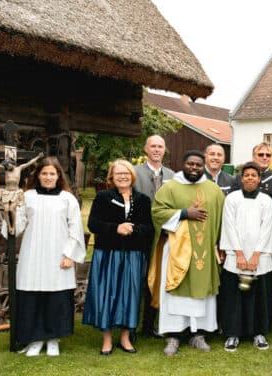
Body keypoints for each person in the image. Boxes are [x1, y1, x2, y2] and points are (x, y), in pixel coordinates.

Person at [147, 150, 224, 356]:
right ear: (183, 164)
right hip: (176, 252)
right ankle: (173, 336)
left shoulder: (214, 190)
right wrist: (183, 213)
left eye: (198, 165)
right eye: (190, 164)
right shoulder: (170, 187)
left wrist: (219, 245)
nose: (194, 168)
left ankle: (197, 335)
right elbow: (157, 212)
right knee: (174, 294)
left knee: (200, 296)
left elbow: (222, 219)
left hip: (204, 252)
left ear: (203, 166)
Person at [12, 157, 86, 357]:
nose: (48, 177)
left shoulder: (67, 199)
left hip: (58, 253)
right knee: (32, 294)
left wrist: (70, 254)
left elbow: (75, 228)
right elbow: (16, 227)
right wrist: (9, 210)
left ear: (58, 176)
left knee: (57, 297)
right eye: (44, 173)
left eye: (52, 173)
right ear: (38, 175)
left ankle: (53, 339)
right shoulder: (27, 197)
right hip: (33, 252)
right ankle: (34, 340)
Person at [83, 159, 154, 355]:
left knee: (129, 295)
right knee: (107, 294)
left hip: (133, 255)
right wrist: (116, 228)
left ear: (132, 176)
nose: (122, 176)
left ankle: (125, 338)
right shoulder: (102, 197)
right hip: (107, 253)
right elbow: (93, 224)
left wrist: (132, 230)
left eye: (126, 173)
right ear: (111, 177)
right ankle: (106, 339)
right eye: (118, 173)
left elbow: (149, 227)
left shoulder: (143, 200)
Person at [219, 162, 272, 352]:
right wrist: (240, 254)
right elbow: (229, 226)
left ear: (259, 179)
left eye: (254, 175)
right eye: (247, 175)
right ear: (241, 178)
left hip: (260, 258)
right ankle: (233, 334)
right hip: (236, 256)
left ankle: (258, 333)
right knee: (234, 296)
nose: (250, 178)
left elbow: (267, 228)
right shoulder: (232, 199)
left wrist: (256, 255)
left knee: (259, 296)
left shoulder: (266, 200)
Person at [133, 135, 174, 338]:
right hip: (139, 234)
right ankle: (131, 325)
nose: (157, 150)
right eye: (153, 146)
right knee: (137, 279)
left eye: (160, 146)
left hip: (164, 236)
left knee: (157, 278)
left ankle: (150, 325)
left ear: (164, 150)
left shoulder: (173, 176)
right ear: (146, 149)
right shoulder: (134, 173)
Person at [250, 142, 272, 329]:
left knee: (268, 281)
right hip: (248, 238)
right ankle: (248, 316)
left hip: (270, 238)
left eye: (267, 155)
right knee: (248, 278)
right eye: (260, 154)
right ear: (253, 156)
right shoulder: (244, 176)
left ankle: (266, 318)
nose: (264, 157)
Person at [0, 152, 43, 235]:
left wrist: (38, 156)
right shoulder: (6, 169)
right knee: (6, 210)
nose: (8, 167)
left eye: (9, 165)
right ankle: (9, 226)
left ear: (12, 164)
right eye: (7, 166)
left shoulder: (19, 168)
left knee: (12, 209)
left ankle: (13, 227)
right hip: (6, 193)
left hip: (16, 193)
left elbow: (29, 163)